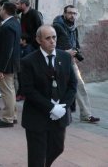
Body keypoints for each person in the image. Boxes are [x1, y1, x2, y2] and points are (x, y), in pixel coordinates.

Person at [21, 25, 77, 167]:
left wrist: (62, 107)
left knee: (57, 148)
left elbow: (72, 85)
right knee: (37, 157)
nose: (52, 41)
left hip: (59, 116)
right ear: (39, 40)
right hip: (37, 117)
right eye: (48, 38)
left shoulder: (64, 57)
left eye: (54, 37)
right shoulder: (28, 61)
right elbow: (28, 90)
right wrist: (51, 107)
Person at [53, 5, 100, 123]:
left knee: (80, 86)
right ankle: (54, 111)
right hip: (57, 61)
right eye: (70, 13)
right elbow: (50, 47)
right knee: (56, 88)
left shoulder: (74, 28)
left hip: (71, 61)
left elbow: (76, 43)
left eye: (74, 13)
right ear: (64, 14)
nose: (72, 15)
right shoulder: (56, 27)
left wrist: (76, 51)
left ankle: (86, 115)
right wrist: (65, 52)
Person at [0, 2, 21, 128]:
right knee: (10, 90)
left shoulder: (9, 26)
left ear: (5, 10)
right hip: (8, 64)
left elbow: (8, 49)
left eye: (1, 9)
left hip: (5, 66)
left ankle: (8, 119)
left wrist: (1, 68)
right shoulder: (13, 23)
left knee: (7, 91)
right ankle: (12, 116)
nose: (0, 10)